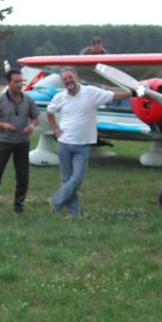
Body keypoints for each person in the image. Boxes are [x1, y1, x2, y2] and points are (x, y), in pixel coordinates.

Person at [47, 67, 131, 217]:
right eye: (65, 79)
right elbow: (50, 111)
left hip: (83, 145)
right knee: (66, 179)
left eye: (70, 77)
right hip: (64, 143)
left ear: (76, 77)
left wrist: (132, 93)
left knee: (77, 180)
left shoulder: (91, 92)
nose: (68, 81)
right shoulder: (60, 97)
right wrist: (55, 129)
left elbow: (113, 97)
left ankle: (55, 201)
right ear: (63, 82)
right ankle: (74, 213)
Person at [0, 69, 40, 218]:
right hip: (4, 142)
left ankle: (18, 206)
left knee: (23, 177)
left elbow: (36, 118)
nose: (20, 84)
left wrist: (31, 127)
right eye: (16, 82)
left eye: (21, 81)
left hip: (22, 143)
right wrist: (3, 125)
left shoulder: (28, 100)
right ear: (8, 83)